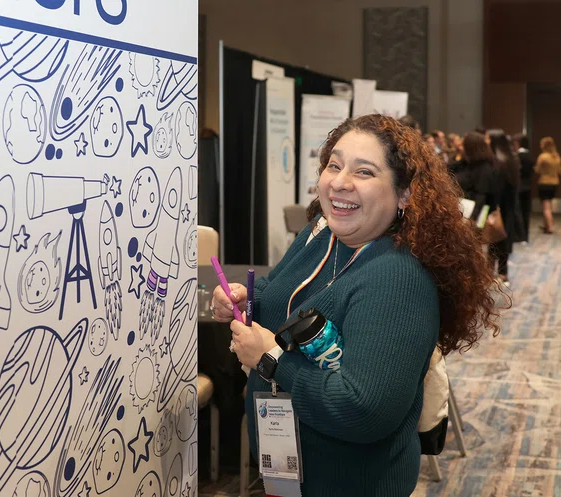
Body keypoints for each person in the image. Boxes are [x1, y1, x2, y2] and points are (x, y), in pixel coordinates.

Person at [210, 115, 503, 496]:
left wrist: (270, 360)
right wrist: (250, 300)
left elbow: (364, 410)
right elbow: (282, 293)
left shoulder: (399, 279)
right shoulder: (322, 233)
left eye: (364, 172)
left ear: (405, 194)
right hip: (289, 470)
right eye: (334, 164)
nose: (339, 182)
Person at [488, 131, 523, 286]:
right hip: (508, 208)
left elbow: (497, 190)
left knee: (494, 239)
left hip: (498, 208)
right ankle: (502, 273)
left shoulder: (498, 162)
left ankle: (494, 274)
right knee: (501, 239)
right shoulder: (511, 160)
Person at [450, 131, 497, 222]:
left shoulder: (484, 168)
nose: (460, 148)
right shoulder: (466, 163)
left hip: (472, 216)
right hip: (461, 211)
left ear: (471, 148)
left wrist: (471, 221)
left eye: (463, 146)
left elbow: (481, 197)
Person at [535, 136, 561, 234]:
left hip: (544, 182)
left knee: (546, 207)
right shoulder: (556, 156)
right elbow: (559, 171)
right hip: (555, 183)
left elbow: (537, 170)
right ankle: (546, 225)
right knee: (549, 204)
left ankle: (549, 226)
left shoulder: (543, 157)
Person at [513, 133, 535, 242]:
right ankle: (525, 236)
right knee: (526, 212)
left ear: (517, 143)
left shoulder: (517, 156)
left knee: (518, 212)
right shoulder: (530, 155)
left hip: (519, 187)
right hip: (528, 186)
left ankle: (519, 235)